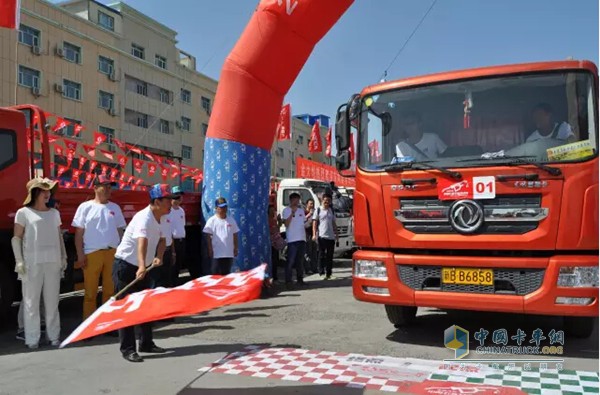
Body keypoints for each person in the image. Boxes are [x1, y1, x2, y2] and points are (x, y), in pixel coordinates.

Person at [112, 184, 174, 363]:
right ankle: (128, 349)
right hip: (126, 266)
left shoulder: (163, 217)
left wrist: (159, 256)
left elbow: (163, 240)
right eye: (167, 199)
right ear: (156, 201)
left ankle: (146, 343)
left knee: (145, 306)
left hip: (143, 267)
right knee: (127, 308)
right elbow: (142, 242)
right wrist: (141, 266)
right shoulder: (144, 217)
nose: (171, 202)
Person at [12, 177, 67, 349]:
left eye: (48, 191)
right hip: (31, 262)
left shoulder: (54, 213)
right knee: (31, 302)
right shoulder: (23, 213)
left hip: (52, 261)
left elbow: (59, 238)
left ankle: (54, 336)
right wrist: (19, 260)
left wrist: (64, 257)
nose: (48, 194)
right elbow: (16, 238)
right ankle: (32, 338)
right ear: (35, 193)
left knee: (52, 302)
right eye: (44, 191)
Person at [72, 175, 126, 323]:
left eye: (110, 187)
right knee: (90, 293)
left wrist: (121, 253)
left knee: (110, 291)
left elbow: (120, 232)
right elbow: (79, 234)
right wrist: (80, 254)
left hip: (112, 253)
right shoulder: (85, 207)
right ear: (95, 188)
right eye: (105, 186)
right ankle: (89, 325)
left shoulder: (114, 207)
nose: (109, 190)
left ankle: (107, 323)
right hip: (92, 253)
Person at [203, 197, 240, 275]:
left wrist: (236, 248)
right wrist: (210, 249)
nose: (224, 209)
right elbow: (208, 236)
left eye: (225, 207)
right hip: (217, 253)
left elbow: (235, 234)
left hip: (228, 253)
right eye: (221, 207)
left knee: (226, 274)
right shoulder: (212, 220)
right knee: (215, 274)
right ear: (216, 208)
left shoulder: (231, 220)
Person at [282, 192, 307, 288]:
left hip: (302, 238)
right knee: (290, 260)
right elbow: (286, 224)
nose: (297, 202)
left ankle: (300, 279)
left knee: (300, 261)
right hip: (292, 239)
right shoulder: (286, 210)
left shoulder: (301, 211)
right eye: (295, 200)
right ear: (291, 200)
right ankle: (288, 280)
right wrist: (292, 213)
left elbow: (303, 223)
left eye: (298, 200)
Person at [312, 193, 338, 280]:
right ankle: (321, 271)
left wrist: (336, 234)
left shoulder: (331, 210)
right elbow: (314, 223)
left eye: (329, 201)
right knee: (321, 254)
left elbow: (334, 223)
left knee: (330, 256)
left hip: (331, 237)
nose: (327, 202)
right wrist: (314, 234)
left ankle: (329, 273)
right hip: (321, 236)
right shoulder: (318, 210)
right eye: (325, 200)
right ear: (322, 200)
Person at [167, 186, 186, 287]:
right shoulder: (168, 211)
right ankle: (170, 285)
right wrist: (173, 249)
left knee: (178, 265)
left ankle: (175, 284)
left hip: (181, 240)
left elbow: (182, 226)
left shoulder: (181, 210)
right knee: (171, 265)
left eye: (180, 196)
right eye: (177, 196)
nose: (179, 198)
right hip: (172, 242)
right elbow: (168, 230)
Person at [268, 204, 285, 283]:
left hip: (276, 243)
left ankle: (275, 277)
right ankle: (272, 277)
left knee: (275, 260)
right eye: (271, 211)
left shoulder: (274, 220)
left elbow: (278, 227)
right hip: (270, 243)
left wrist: (279, 220)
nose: (272, 212)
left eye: (273, 211)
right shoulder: (267, 220)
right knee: (272, 260)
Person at [303, 198, 318, 275]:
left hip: (313, 234)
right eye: (310, 204)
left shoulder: (315, 212)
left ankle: (314, 268)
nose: (312, 205)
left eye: (313, 204)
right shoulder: (304, 212)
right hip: (306, 235)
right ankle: (307, 269)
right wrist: (309, 214)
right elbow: (302, 221)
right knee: (307, 252)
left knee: (314, 252)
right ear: (307, 204)